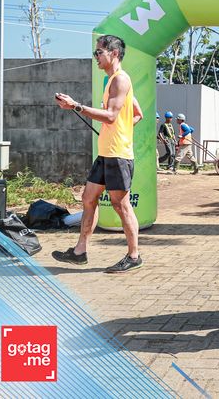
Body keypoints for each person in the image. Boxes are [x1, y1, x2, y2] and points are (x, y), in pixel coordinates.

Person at [52, 34, 144, 273]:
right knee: (88, 198)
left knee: (121, 205)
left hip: (118, 155)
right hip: (106, 153)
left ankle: (134, 256)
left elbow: (112, 116)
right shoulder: (112, 80)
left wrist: (76, 106)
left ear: (114, 53)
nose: (96, 57)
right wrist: (121, 130)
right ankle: (79, 252)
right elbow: (137, 114)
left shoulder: (120, 80)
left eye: (99, 52)